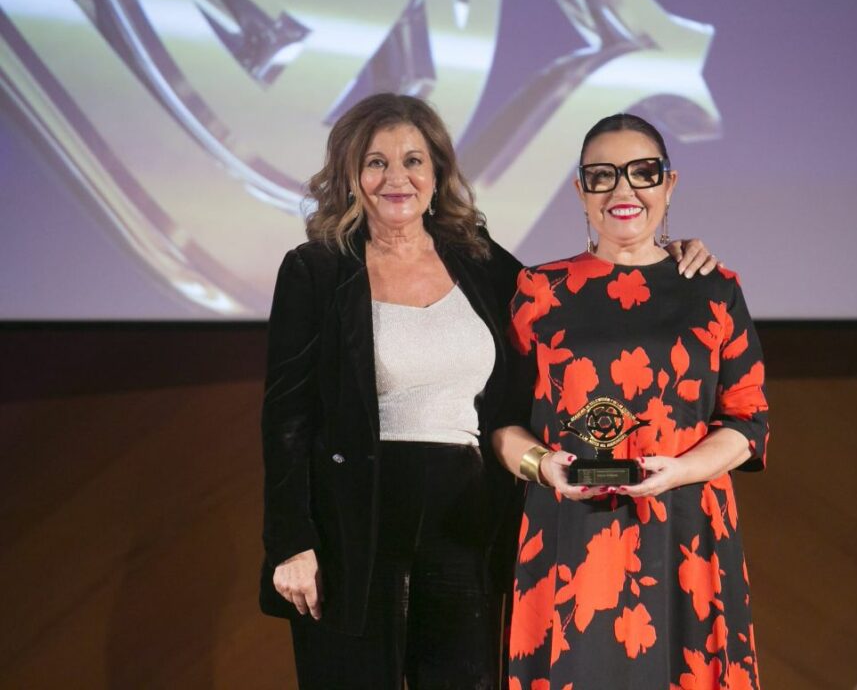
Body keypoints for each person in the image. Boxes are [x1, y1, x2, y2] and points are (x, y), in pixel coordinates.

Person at [259, 94, 719, 689]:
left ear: (437, 173)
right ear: (350, 175)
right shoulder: (315, 271)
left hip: (466, 523)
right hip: (352, 525)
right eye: (376, 162)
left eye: (413, 161)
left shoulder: (480, 262)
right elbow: (287, 418)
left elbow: (574, 294)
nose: (397, 178)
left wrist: (667, 258)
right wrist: (292, 542)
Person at [493, 114, 769, 688]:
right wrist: (544, 466)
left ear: (669, 184)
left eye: (642, 172)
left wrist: (680, 471)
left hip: (685, 532)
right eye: (602, 175)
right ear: (581, 190)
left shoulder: (714, 289)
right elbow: (501, 422)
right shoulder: (538, 291)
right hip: (569, 531)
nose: (623, 189)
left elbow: (749, 423)